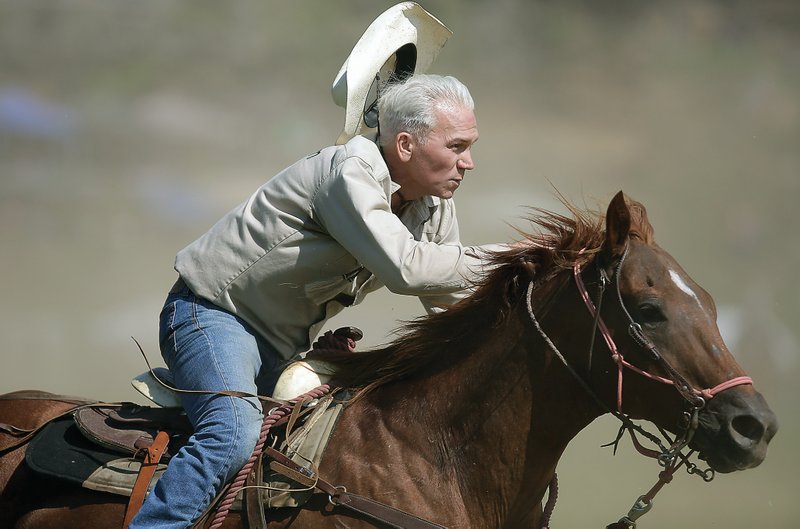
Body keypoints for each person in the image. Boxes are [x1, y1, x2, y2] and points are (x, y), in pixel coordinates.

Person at [128, 72, 505, 528]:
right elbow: (407, 268)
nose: (469, 163)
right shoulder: (349, 173)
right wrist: (516, 258)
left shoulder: (432, 202)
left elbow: (448, 301)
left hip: (282, 347)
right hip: (211, 316)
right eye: (458, 147)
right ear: (405, 145)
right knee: (232, 435)